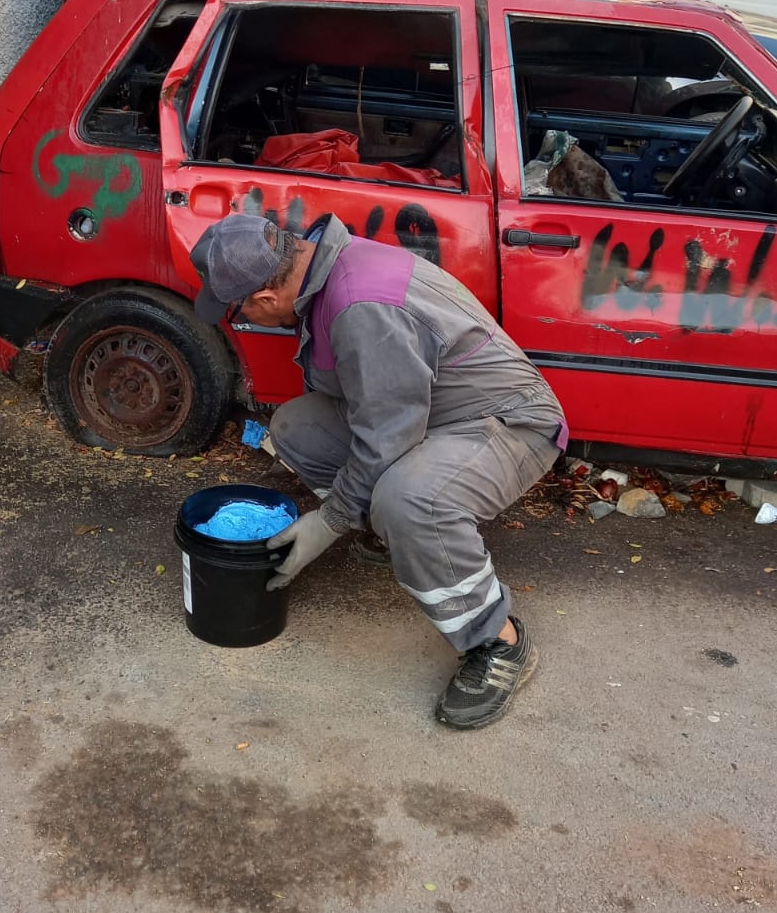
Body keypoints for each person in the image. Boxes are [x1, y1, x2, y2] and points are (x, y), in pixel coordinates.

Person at [190, 212, 568, 731]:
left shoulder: (361, 306)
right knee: (297, 426)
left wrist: (330, 522)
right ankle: (401, 537)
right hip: (430, 410)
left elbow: (387, 437)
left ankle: (496, 641)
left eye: (238, 311)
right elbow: (381, 412)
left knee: (411, 502)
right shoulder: (323, 270)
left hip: (504, 421)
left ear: (265, 299)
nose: (243, 319)